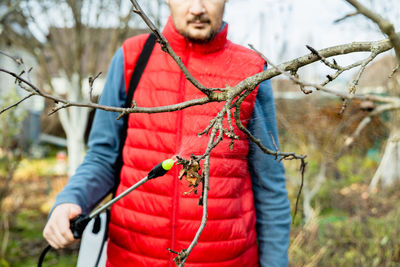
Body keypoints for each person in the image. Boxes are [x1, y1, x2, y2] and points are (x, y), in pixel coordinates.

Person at [43, 0, 291, 266]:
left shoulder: (251, 71)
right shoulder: (132, 57)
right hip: (131, 257)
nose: (197, 8)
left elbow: (269, 187)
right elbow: (103, 156)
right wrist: (70, 199)